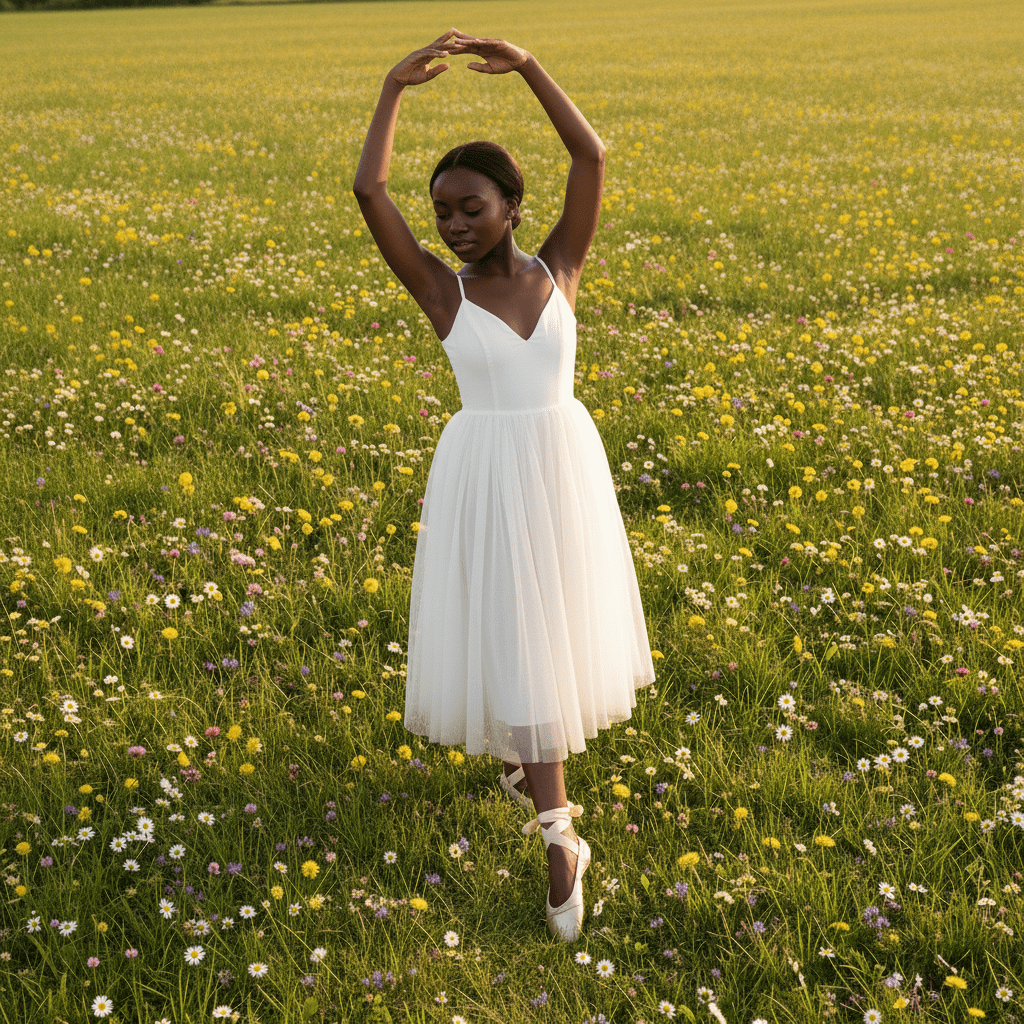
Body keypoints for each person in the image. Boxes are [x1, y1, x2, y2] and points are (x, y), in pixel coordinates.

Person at [352, 28, 656, 943]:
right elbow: (370, 191)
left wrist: (526, 66)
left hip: (562, 465)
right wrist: (390, 90)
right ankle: (561, 837)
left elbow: (589, 153)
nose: (452, 224)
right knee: (520, 635)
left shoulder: (561, 269)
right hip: (486, 474)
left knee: (552, 624)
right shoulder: (443, 295)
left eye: (470, 207)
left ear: (513, 208)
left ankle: (534, 771)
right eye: (442, 210)